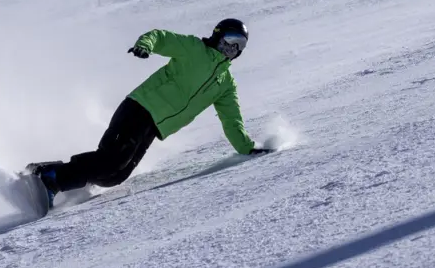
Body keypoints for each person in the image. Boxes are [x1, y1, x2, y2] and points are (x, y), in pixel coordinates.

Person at [30, 18, 273, 206]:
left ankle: (54, 169)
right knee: (112, 160)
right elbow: (160, 37)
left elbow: (232, 119)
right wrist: (145, 45)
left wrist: (247, 148)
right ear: (218, 34)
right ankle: (53, 178)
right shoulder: (193, 48)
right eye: (231, 39)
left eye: (239, 45)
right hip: (140, 107)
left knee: (115, 176)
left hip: (156, 127)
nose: (232, 47)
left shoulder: (225, 83)